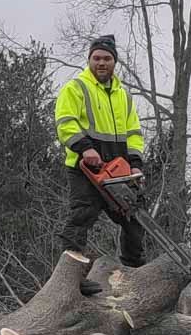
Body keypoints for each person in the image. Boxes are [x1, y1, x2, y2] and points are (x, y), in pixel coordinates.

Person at [54, 34, 147, 269]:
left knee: (134, 216)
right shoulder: (76, 88)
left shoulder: (123, 95)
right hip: (86, 168)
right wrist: (85, 148)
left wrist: (135, 163)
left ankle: (132, 270)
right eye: (96, 58)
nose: (101, 63)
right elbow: (65, 122)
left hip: (118, 168)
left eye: (107, 58)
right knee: (82, 215)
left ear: (114, 62)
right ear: (90, 60)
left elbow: (134, 133)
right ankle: (70, 273)